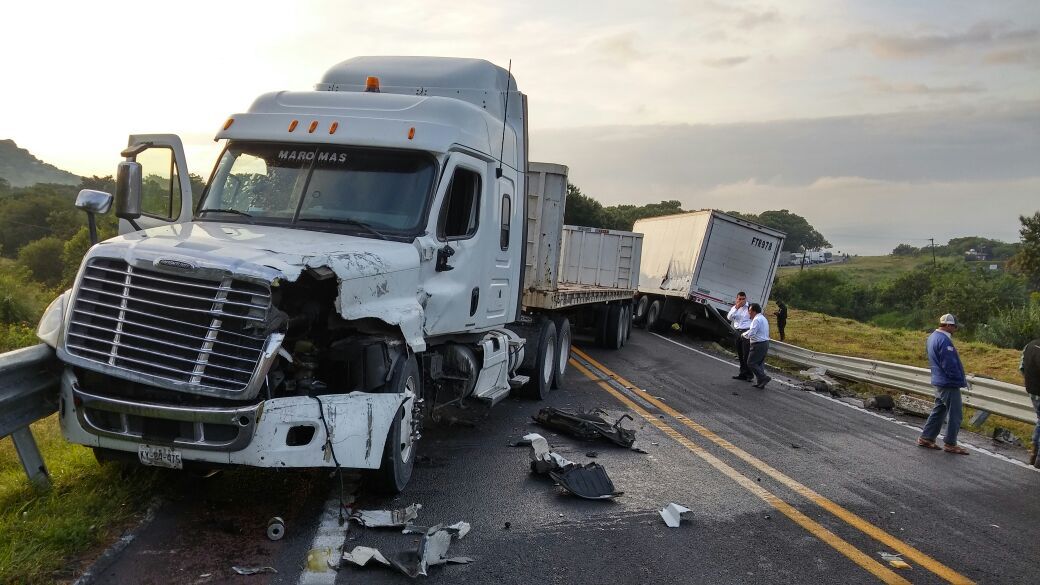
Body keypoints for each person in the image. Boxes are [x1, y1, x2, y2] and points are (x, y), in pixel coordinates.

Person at [916, 314, 969, 455]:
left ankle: (926, 437)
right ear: (948, 325)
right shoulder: (944, 341)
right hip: (948, 383)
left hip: (938, 379)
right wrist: (958, 380)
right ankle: (950, 443)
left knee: (939, 409)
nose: (955, 329)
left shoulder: (932, 337)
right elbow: (949, 364)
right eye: (954, 326)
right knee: (955, 413)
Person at [1020, 337, 1040, 468]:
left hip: (1032, 391)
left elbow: (1022, 368)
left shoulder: (1030, 345)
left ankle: (1034, 452)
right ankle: (1038, 458)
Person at [743, 303, 771, 388]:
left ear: (754, 311)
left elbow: (752, 333)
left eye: (750, 311)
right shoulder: (763, 318)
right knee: (759, 364)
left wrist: (743, 335)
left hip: (758, 344)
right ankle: (760, 383)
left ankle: (763, 378)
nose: (749, 313)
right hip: (765, 343)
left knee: (751, 363)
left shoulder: (756, 320)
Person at [727, 292, 753, 381]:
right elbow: (729, 317)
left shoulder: (750, 307)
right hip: (738, 332)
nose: (741, 301)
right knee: (740, 354)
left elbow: (755, 319)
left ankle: (749, 375)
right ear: (737, 299)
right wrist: (736, 308)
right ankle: (742, 374)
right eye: (740, 299)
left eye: (743, 299)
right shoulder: (735, 307)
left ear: (746, 299)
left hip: (746, 331)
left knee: (747, 355)